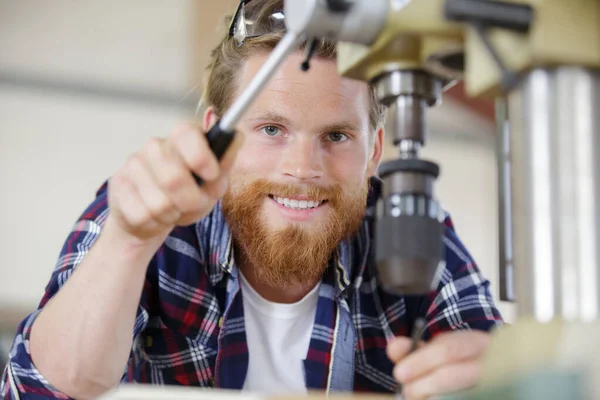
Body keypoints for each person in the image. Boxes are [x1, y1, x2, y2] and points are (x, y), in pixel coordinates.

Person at [0, 0, 503, 399]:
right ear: (215, 136)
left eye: (336, 136)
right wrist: (129, 243)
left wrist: (499, 379)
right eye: (270, 129)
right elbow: (41, 391)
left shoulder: (413, 228)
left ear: (374, 151)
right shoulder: (144, 212)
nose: (304, 169)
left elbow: (501, 370)